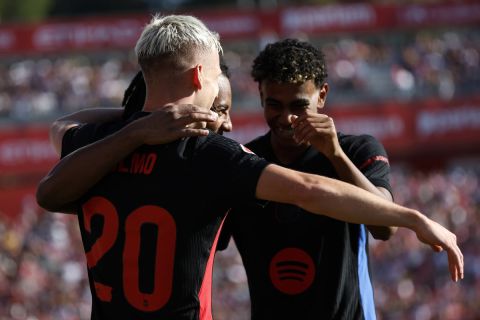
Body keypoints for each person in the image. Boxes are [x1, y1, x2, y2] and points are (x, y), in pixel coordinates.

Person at [36, 14, 463, 320]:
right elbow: (309, 190)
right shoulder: (213, 156)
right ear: (201, 77)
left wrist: (137, 124)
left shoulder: (97, 148)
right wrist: (415, 217)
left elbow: (58, 152)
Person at [216, 38, 395, 319]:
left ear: (322, 95)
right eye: (274, 104)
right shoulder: (243, 161)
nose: (287, 118)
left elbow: (385, 227)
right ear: (261, 96)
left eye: (299, 106)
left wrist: (335, 155)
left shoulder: (356, 150)